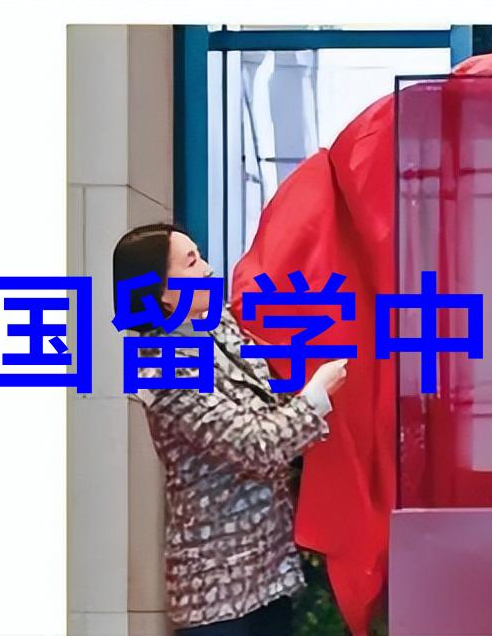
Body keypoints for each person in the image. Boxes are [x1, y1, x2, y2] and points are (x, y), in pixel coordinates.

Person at [113, 223, 348, 636]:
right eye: (191, 262)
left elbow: (267, 399)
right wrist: (315, 396)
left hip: (270, 577)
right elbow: (254, 444)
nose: (206, 268)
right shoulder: (161, 367)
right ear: (162, 293)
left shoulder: (218, 326)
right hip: (219, 596)